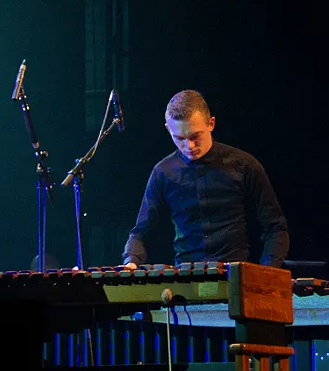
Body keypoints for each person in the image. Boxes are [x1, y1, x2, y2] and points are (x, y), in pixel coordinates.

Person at [122, 90, 289, 270]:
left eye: (195, 136)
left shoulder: (245, 166)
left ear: (211, 124)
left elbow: (275, 228)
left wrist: (268, 270)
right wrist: (131, 261)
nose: (189, 146)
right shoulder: (163, 172)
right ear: (168, 129)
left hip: (234, 274)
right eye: (179, 138)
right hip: (186, 276)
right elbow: (141, 232)